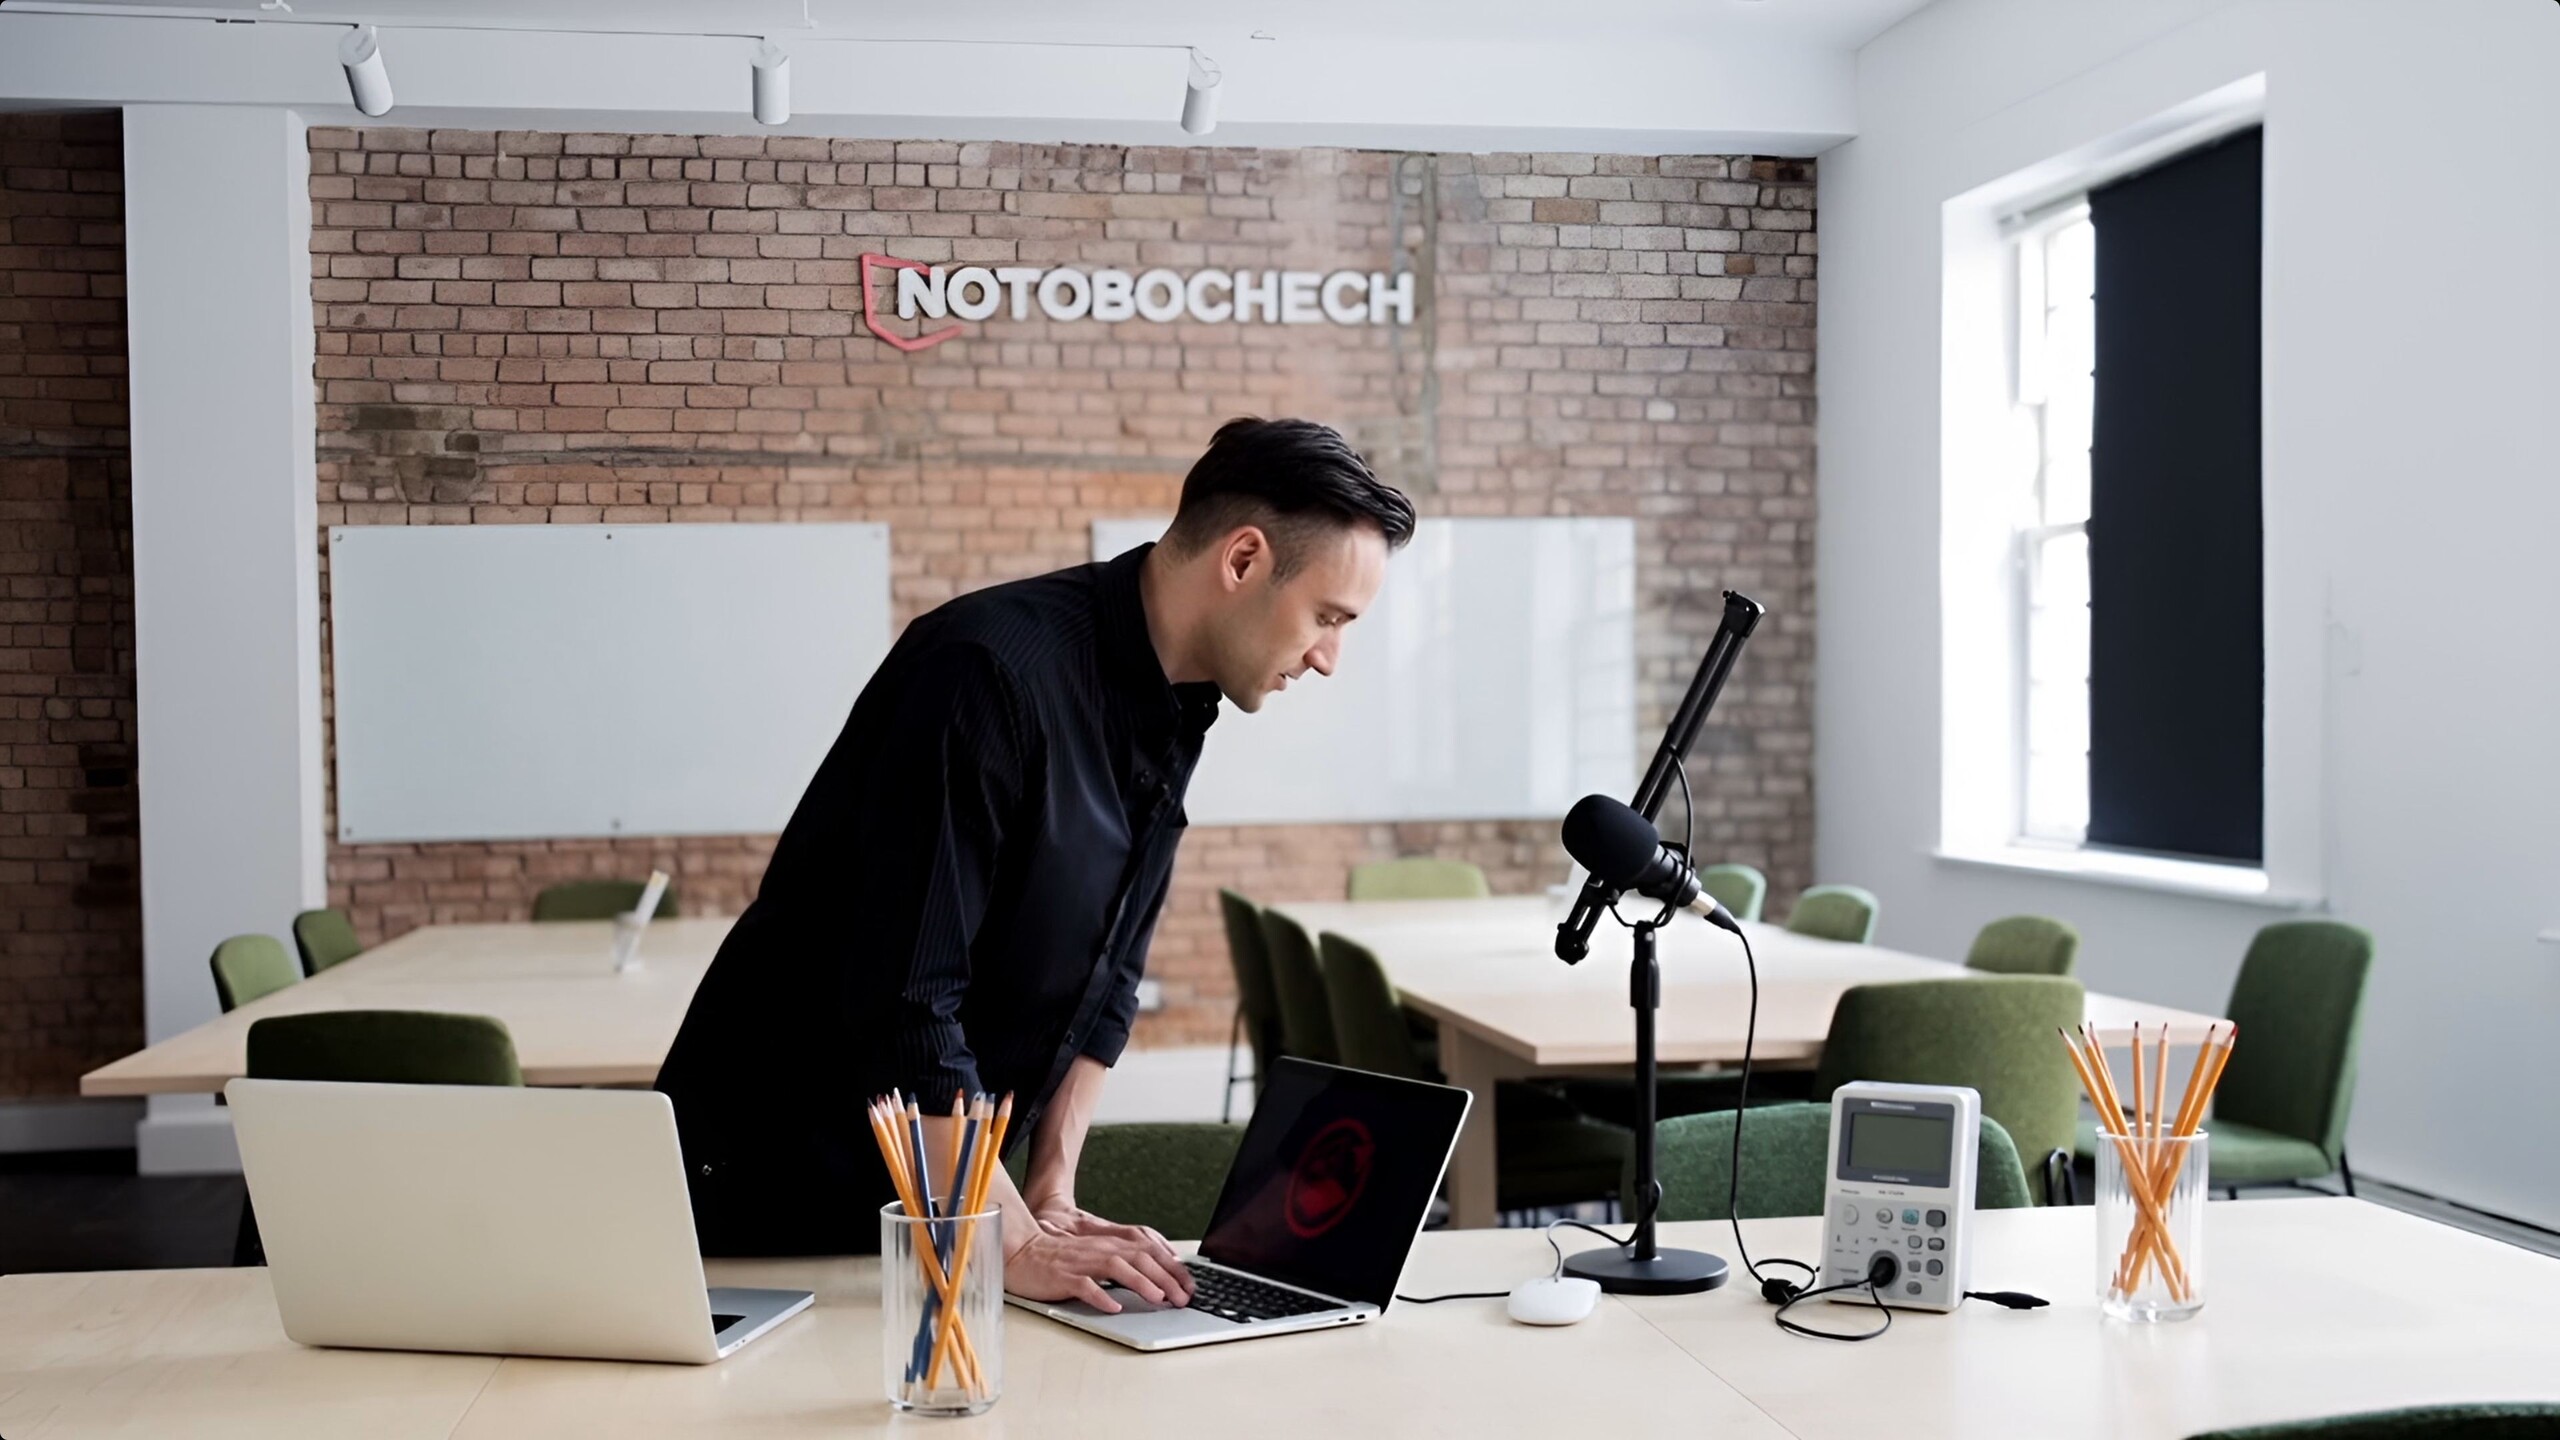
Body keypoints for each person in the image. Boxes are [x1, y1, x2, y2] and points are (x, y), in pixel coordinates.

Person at [656, 417, 1416, 1312]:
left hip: (944, 1209)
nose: (1329, 658)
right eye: (1328, 617)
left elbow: (1107, 985)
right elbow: (907, 1000)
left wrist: (1049, 1194)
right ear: (1244, 561)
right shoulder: (984, 673)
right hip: (764, 1211)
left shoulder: (1182, 704)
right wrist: (1007, 1234)